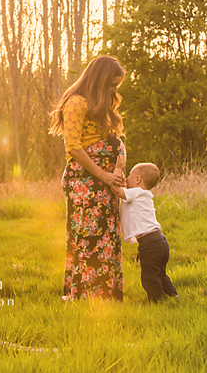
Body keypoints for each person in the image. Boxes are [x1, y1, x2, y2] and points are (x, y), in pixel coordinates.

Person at [49, 55, 127, 301]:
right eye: (111, 85)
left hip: (105, 180)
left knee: (108, 234)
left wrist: (116, 171)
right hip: (85, 181)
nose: (114, 90)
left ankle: (105, 294)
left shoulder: (101, 106)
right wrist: (103, 174)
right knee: (88, 235)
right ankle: (84, 295)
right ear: (100, 79)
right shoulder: (76, 103)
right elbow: (73, 147)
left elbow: (113, 140)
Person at [116, 162, 179, 303]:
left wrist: (116, 171)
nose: (126, 178)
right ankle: (173, 297)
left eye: (129, 175)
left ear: (138, 179)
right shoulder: (143, 194)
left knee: (149, 277)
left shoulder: (136, 193)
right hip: (160, 241)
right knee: (161, 274)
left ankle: (157, 302)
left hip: (149, 244)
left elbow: (117, 191)